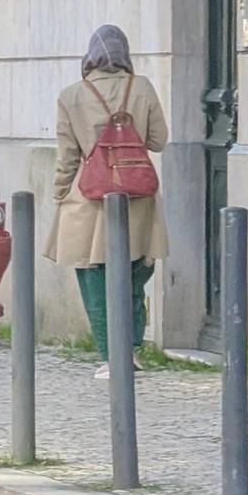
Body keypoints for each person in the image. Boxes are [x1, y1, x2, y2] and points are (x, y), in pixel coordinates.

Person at [46, 25, 168, 379]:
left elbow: (68, 157)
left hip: (90, 200)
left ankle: (109, 356)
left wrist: (59, 194)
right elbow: (159, 141)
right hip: (138, 197)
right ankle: (132, 348)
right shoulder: (142, 87)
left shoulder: (71, 96)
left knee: (94, 278)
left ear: (90, 57)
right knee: (135, 274)